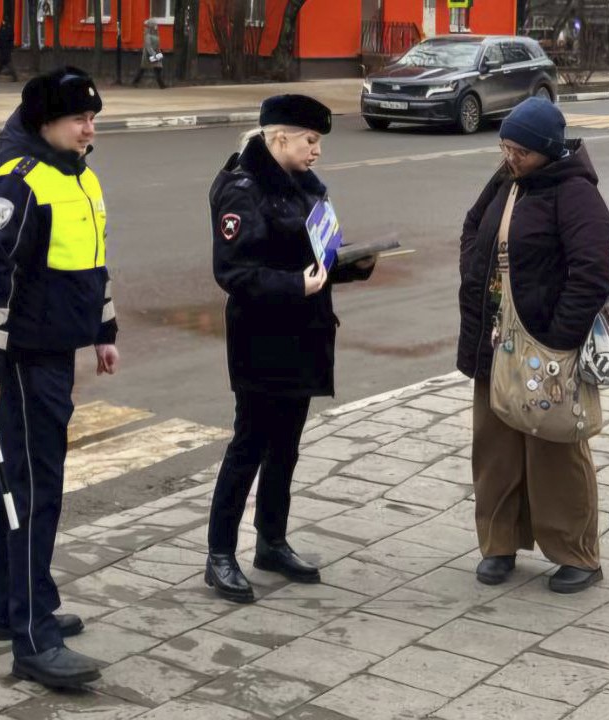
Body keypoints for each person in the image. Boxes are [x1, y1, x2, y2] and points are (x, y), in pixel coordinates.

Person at [0, 66, 119, 688]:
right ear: (44, 122)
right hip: (23, 364)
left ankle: (12, 609)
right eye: (78, 118)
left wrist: (103, 332)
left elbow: (93, 262)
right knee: (33, 497)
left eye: (92, 118)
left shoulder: (78, 177)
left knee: (12, 485)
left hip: (58, 355)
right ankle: (34, 639)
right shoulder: (18, 186)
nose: (89, 128)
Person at [205, 95, 377, 603]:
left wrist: (346, 266)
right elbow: (234, 272)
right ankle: (219, 554)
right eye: (310, 140)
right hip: (261, 338)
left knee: (286, 446)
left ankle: (271, 542)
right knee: (248, 447)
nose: (317, 150)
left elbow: (310, 255)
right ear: (278, 138)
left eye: (318, 141)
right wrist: (293, 286)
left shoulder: (301, 185)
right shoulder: (243, 188)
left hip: (303, 333)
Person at [457, 97, 609, 594]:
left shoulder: (576, 194)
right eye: (505, 146)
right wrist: (474, 272)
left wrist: (561, 338)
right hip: (494, 339)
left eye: (519, 150)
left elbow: (592, 273)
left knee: (555, 447)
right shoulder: (507, 180)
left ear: (547, 150)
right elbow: (472, 226)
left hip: (545, 344)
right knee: (495, 447)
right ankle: (498, 545)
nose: (509, 157)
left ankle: (577, 554)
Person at [132, 18, 166, 89]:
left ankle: (161, 84)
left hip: (156, 53)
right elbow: (148, 46)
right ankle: (135, 82)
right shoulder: (147, 35)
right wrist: (153, 54)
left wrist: (159, 53)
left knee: (158, 67)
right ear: (151, 26)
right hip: (148, 55)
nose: (156, 26)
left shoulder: (156, 34)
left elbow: (157, 45)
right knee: (143, 69)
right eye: (155, 25)